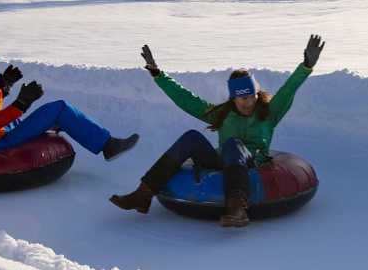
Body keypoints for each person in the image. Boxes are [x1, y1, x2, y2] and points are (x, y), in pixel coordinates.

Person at [110, 34, 324, 227]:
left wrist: (305, 66)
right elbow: (187, 100)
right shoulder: (222, 114)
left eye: (251, 97)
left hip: (251, 162)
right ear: (233, 97)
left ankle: (238, 209)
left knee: (234, 144)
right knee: (191, 137)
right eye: (242, 98)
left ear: (257, 95)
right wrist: (158, 74)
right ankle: (143, 194)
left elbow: (288, 90)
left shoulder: (269, 113)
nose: (248, 102)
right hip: (223, 161)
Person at [0, 36, 139, 161]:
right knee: (59, 108)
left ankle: (57, 124)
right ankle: (108, 146)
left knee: (25, 119)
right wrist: (21, 103)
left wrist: (2, 89)